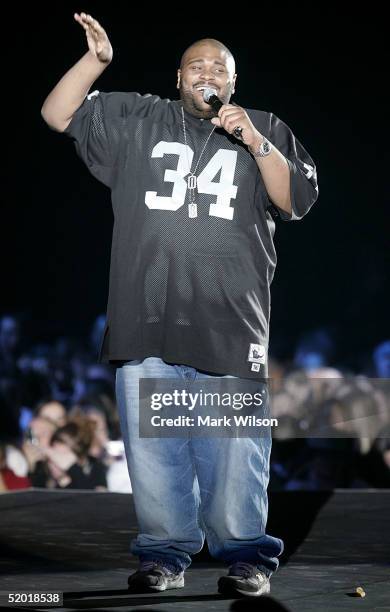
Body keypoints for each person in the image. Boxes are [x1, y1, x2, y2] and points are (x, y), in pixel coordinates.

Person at [41, 12, 319, 598]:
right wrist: (95, 63)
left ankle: (247, 556)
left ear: (234, 83)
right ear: (178, 78)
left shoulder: (263, 127)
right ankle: (165, 554)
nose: (209, 71)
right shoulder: (140, 119)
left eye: (221, 66)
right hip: (148, 317)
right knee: (158, 455)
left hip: (230, 321)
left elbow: (295, 199)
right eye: (198, 64)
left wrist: (254, 138)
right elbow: (57, 114)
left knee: (233, 455)